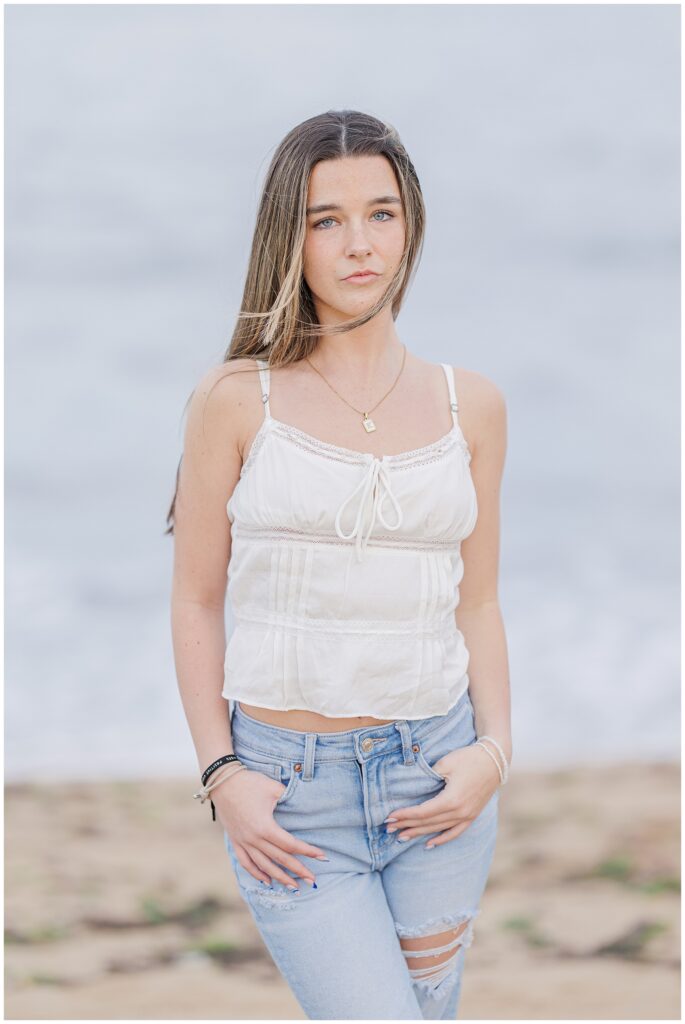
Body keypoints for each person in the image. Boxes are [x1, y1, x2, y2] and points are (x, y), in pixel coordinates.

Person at [168, 109, 511, 1020]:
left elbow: (476, 603)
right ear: (291, 234)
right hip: (290, 801)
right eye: (326, 220)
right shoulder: (236, 400)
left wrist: (493, 753)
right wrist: (222, 776)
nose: (359, 244)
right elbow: (196, 599)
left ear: (411, 225)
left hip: (435, 783)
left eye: (381, 213)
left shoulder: (468, 406)